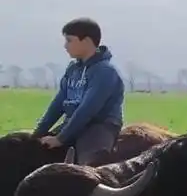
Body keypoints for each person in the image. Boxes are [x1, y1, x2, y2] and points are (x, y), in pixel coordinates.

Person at [33, 18, 124, 164]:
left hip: (99, 127)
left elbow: (88, 109)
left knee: (87, 168)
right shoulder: (73, 69)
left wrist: (60, 139)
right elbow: (58, 104)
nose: (65, 46)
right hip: (72, 123)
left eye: (69, 40)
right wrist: (37, 134)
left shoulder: (105, 72)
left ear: (86, 41)